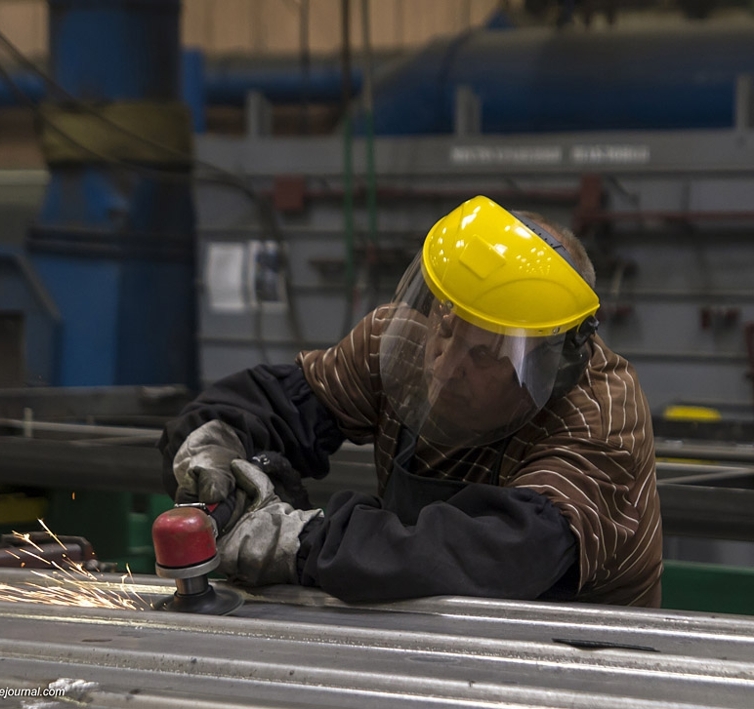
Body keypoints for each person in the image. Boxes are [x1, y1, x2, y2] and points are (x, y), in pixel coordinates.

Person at [158, 195, 662, 607]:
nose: (443, 366)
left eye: (485, 353)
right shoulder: (402, 342)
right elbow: (283, 403)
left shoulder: (598, 412)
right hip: (426, 643)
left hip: (573, 661)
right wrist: (212, 447)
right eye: (446, 325)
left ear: (551, 365)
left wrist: (300, 543)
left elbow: (506, 551)